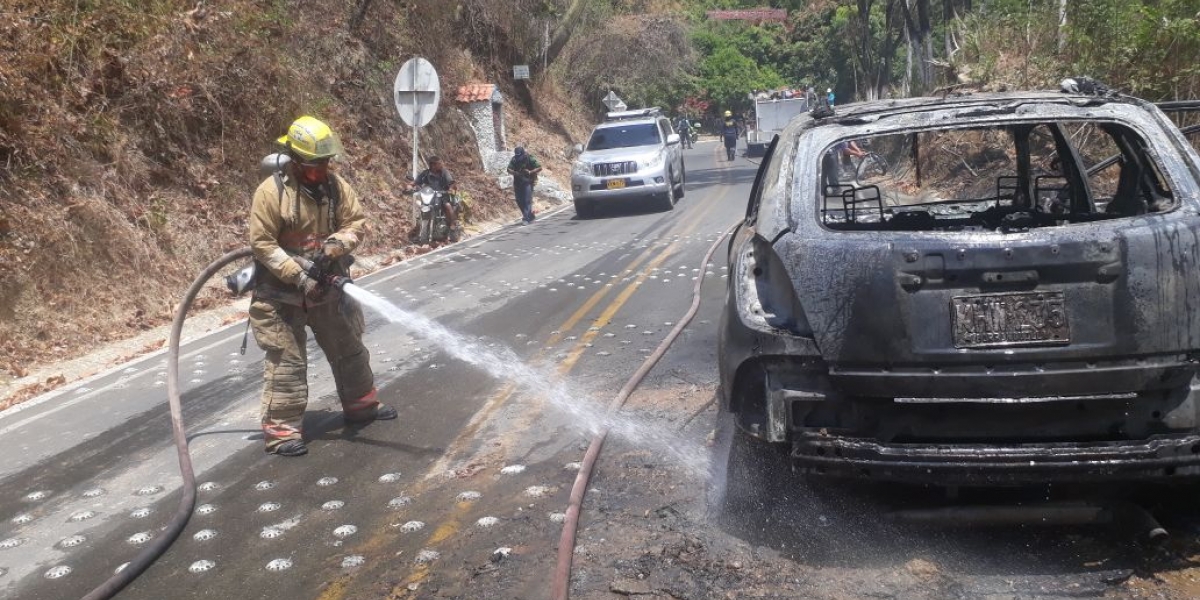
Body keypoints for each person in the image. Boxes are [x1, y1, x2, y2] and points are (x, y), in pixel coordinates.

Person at [248, 115, 397, 457]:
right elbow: (263, 244)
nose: (322, 170)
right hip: (281, 296)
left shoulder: (336, 187)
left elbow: (355, 223)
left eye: (326, 163)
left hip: (327, 289)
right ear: (296, 163)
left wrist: (334, 247)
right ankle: (282, 433)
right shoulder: (271, 193)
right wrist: (299, 276)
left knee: (349, 349)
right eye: (315, 166)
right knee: (288, 364)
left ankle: (362, 407)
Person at [409, 155, 462, 242]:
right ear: (433, 165)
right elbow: (416, 182)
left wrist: (451, 188)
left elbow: (451, 182)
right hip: (429, 196)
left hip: (442, 195)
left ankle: (452, 226)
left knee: (448, 206)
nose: (441, 165)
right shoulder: (425, 173)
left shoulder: (444, 172)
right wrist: (410, 186)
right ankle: (418, 233)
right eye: (439, 164)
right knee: (421, 209)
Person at [507, 146, 542, 224]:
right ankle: (529, 215)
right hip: (517, 182)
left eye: (519, 155)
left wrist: (530, 172)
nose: (518, 157)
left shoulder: (529, 158)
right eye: (517, 155)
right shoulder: (514, 159)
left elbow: (539, 167)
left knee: (527, 200)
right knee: (519, 200)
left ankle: (526, 218)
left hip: (528, 181)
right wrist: (515, 173)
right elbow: (508, 169)